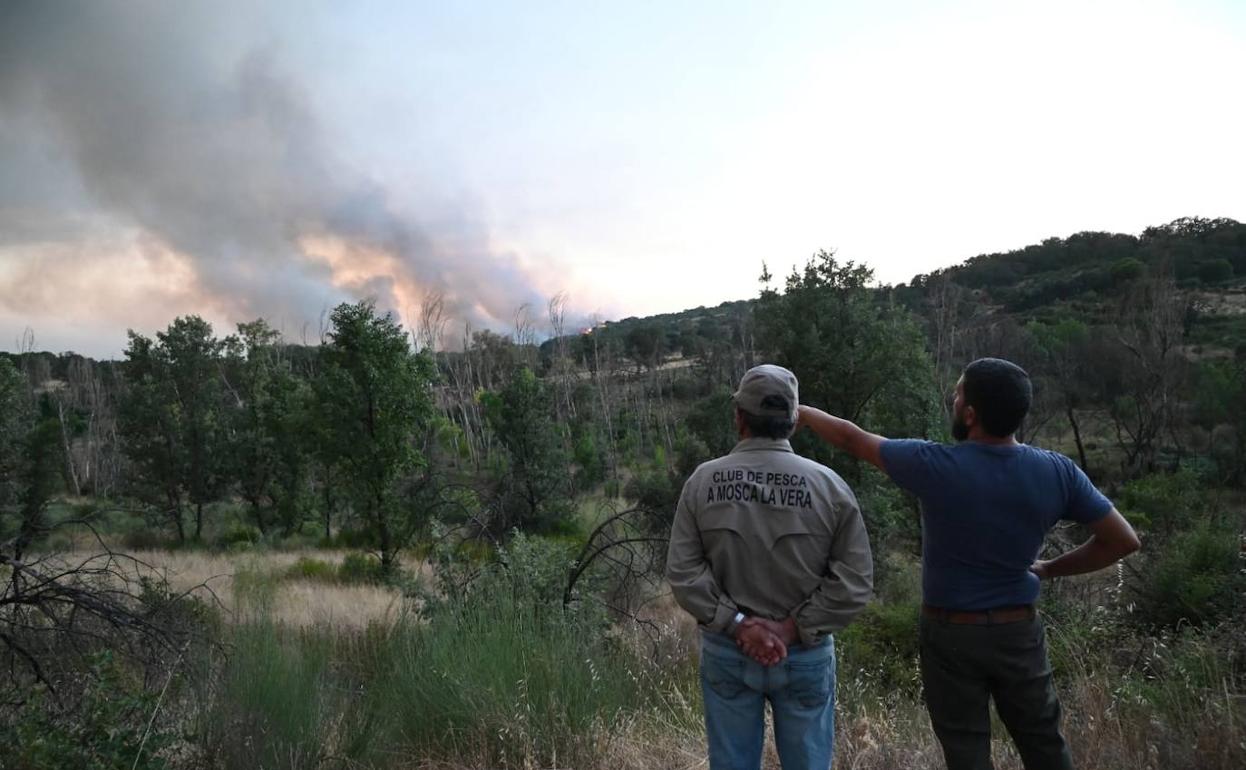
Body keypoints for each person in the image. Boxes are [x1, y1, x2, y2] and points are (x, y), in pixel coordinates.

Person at [797, 357, 1141, 770]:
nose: (953, 399)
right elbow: (1122, 540)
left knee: (966, 754)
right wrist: (1050, 568)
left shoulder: (934, 465)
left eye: (958, 394)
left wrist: (803, 412)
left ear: (971, 414)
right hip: (1018, 632)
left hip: (951, 636)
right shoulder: (1057, 471)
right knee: (1045, 747)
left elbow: (853, 439)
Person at [666, 364, 874, 770]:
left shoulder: (702, 482)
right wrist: (792, 629)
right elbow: (855, 581)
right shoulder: (830, 486)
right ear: (793, 422)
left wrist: (739, 625)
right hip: (805, 656)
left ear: (739, 417)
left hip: (728, 652)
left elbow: (683, 572)